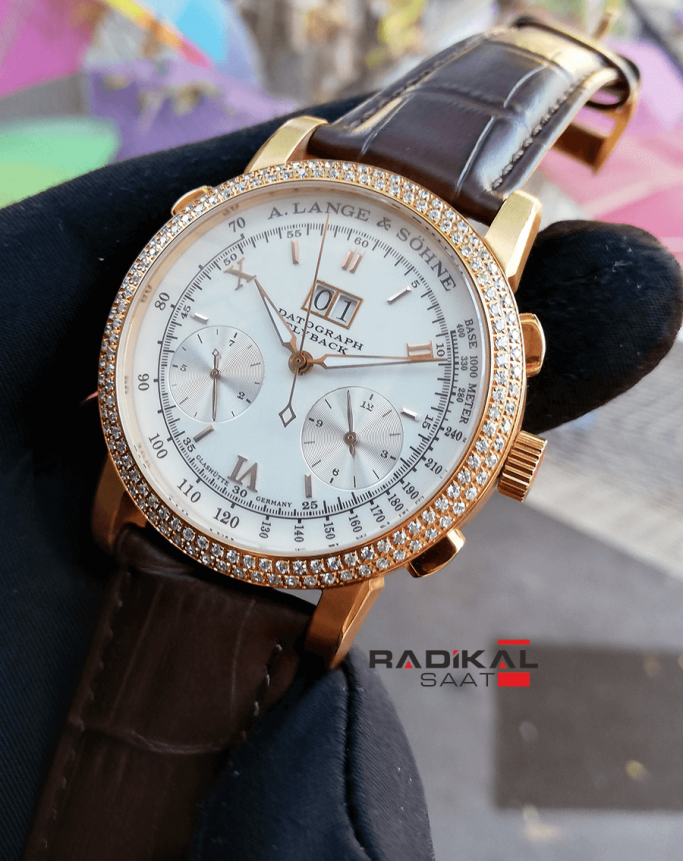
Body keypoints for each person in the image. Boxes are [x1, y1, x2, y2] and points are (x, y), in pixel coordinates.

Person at [2, 98, 681, 861]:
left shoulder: (454, 240)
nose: (302, 362)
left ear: (498, 453)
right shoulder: (293, 165)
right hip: (143, 489)